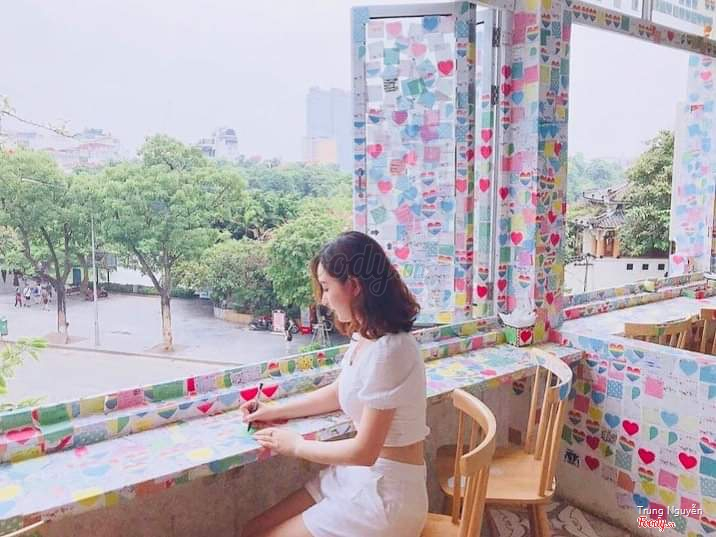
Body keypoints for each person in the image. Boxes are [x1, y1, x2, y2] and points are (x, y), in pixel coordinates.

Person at [240, 231, 427, 537]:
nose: (323, 300)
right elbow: (340, 392)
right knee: (252, 530)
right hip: (358, 478)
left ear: (353, 286)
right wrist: (273, 410)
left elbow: (365, 451)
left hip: (384, 498)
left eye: (326, 287)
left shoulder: (390, 350)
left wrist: (297, 445)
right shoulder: (367, 336)